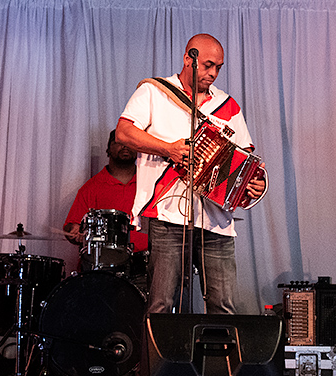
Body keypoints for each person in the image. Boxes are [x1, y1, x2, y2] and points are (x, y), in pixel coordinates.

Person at [115, 33, 266, 315]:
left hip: (216, 219)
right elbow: (124, 133)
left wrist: (253, 186)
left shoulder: (227, 105)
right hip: (168, 213)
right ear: (189, 59)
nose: (213, 73)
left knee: (224, 306)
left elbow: (245, 163)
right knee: (161, 304)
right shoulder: (155, 91)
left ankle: (220, 361)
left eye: (219, 67)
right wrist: (168, 149)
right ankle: (160, 362)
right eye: (208, 65)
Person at [63, 130, 149, 272]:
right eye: (119, 143)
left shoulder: (151, 184)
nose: (125, 147)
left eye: (130, 143)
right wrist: (74, 231)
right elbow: (71, 227)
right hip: (102, 267)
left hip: (145, 266)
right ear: (108, 150)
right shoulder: (91, 187)